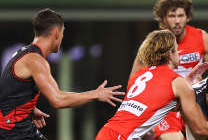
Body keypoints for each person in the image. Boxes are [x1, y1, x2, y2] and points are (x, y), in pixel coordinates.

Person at [0, 8, 124, 140]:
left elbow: (10, 89)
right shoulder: (35, 61)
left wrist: (29, 107)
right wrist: (95, 94)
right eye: (63, 32)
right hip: (13, 134)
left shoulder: (23, 53)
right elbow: (57, 100)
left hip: (19, 130)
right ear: (56, 33)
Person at [95, 30, 208, 140]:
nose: (178, 54)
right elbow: (200, 127)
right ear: (170, 53)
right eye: (176, 50)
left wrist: (187, 81)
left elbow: (161, 99)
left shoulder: (140, 75)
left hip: (106, 132)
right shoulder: (175, 82)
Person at [131, 0, 208, 140]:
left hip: (194, 99)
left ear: (187, 17)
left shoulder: (202, 37)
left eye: (180, 16)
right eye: (172, 16)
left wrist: (204, 87)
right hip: (166, 102)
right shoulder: (153, 43)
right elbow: (135, 80)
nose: (177, 21)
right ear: (164, 19)